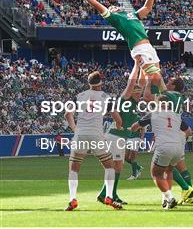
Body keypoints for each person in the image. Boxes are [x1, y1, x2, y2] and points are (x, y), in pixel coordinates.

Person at [78, 0, 165, 93]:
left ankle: (141, 99)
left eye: (113, 6)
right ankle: (165, 99)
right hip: (140, 49)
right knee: (155, 77)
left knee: (152, 76)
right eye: (110, 8)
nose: (112, 7)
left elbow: (147, 8)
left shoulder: (132, 14)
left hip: (149, 47)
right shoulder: (115, 19)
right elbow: (98, 5)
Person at [64, 71, 123, 211]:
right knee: (109, 166)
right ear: (101, 82)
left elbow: (67, 114)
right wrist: (119, 128)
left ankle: (72, 199)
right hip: (96, 134)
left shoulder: (79, 96)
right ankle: (109, 196)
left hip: (81, 134)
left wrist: (75, 129)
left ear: (88, 83)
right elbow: (118, 119)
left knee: (74, 169)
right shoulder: (105, 97)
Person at [97, 64, 143, 205]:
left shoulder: (134, 104)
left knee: (116, 167)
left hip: (119, 137)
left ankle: (108, 194)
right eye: (137, 91)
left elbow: (140, 82)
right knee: (116, 167)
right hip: (115, 136)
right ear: (132, 92)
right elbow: (131, 83)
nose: (140, 93)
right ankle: (109, 195)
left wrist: (145, 68)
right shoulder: (125, 99)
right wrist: (136, 65)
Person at [130, 94, 183, 210]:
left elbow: (135, 126)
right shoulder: (176, 115)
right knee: (169, 171)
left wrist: (129, 130)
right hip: (178, 148)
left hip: (164, 147)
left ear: (158, 104)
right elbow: (188, 131)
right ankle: (165, 199)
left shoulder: (153, 114)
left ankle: (170, 198)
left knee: (156, 174)